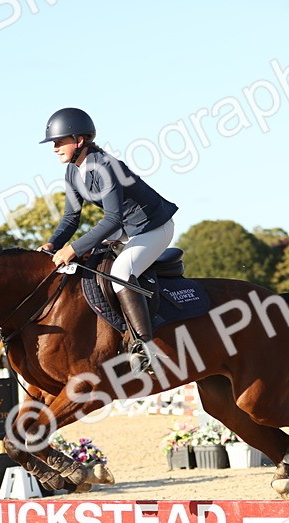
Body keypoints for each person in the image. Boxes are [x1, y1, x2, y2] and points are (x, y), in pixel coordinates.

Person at [39, 108, 178, 374]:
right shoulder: (72, 171)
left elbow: (112, 219)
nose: (54, 148)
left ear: (79, 140)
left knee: (121, 272)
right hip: (126, 229)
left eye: (59, 141)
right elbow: (71, 217)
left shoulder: (105, 166)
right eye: (54, 144)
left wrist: (74, 248)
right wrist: (53, 244)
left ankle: (146, 349)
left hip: (152, 227)